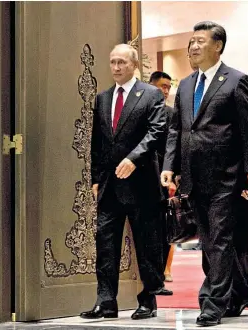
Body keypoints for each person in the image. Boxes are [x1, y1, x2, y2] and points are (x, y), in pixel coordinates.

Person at [161, 21, 248, 326]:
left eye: (200, 41)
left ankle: (212, 303)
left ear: (217, 46)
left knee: (219, 240)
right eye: (191, 41)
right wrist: (170, 165)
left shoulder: (236, 80)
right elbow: (177, 129)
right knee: (210, 240)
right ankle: (239, 294)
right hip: (194, 178)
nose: (193, 46)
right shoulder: (187, 84)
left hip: (227, 176)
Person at [80, 44, 166, 320]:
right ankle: (105, 301)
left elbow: (156, 131)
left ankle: (148, 299)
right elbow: (97, 142)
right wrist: (95, 177)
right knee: (106, 244)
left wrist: (134, 158)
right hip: (109, 186)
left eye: (121, 62)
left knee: (146, 243)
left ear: (133, 65)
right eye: (112, 62)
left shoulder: (150, 94)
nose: (116, 67)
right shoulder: (103, 98)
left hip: (141, 183)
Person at [149, 70, 176, 295]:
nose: (165, 91)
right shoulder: (142, 111)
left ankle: (159, 275)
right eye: (161, 86)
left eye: (168, 87)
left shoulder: (171, 114)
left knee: (165, 229)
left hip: (165, 181)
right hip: (143, 177)